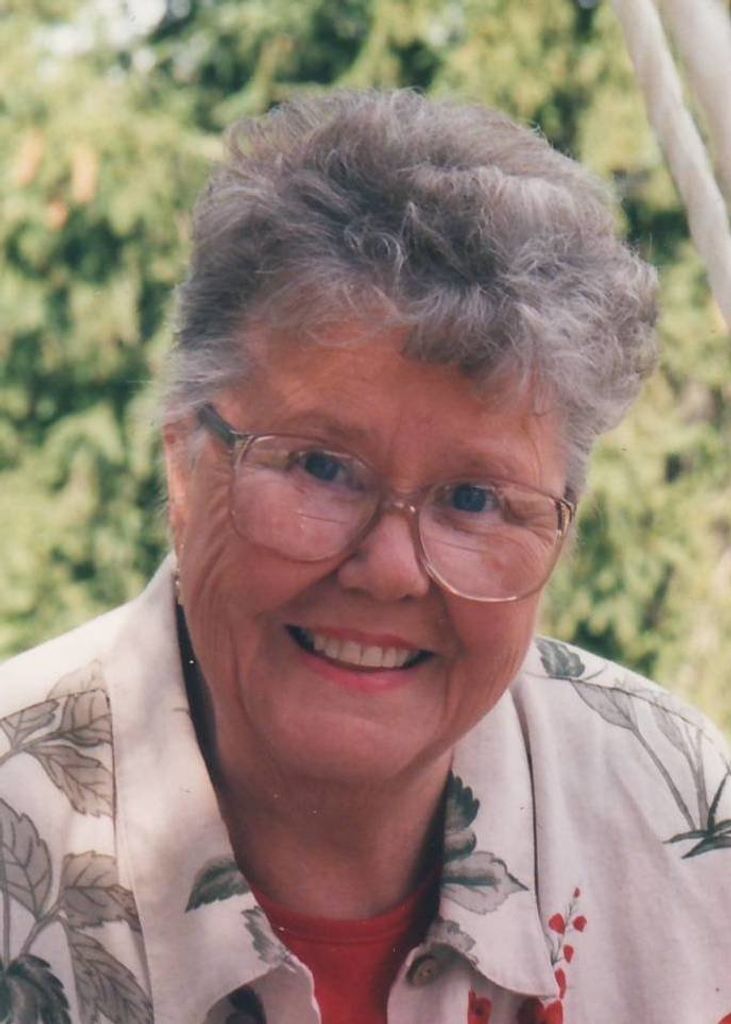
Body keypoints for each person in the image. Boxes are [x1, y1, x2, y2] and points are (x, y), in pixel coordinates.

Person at [0, 90, 729, 1024]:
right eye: (321, 467)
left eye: (475, 499)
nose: (390, 570)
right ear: (182, 463)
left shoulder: (679, 809)